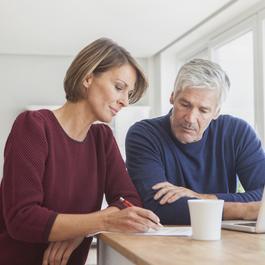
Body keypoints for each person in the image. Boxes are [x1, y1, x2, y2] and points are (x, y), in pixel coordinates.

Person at [0, 38, 161, 265]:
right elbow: (22, 218)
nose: (125, 101)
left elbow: (130, 201)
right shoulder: (34, 126)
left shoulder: (102, 139)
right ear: (87, 77)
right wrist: (100, 222)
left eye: (129, 94)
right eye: (119, 87)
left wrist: (80, 230)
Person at [125, 58, 265, 225]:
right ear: (172, 97)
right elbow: (158, 207)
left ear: (216, 112)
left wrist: (203, 198)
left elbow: (263, 194)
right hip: (164, 243)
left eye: (203, 110)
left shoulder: (237, 133)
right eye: (185, 104)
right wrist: (245, 210)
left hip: (225, 239)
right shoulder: (144, 135)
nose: (190, 118)